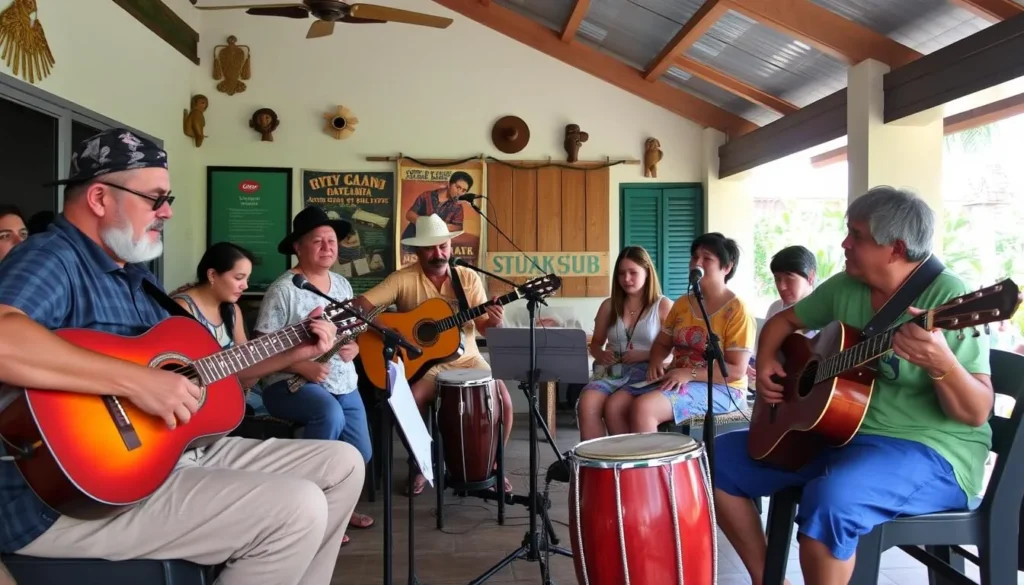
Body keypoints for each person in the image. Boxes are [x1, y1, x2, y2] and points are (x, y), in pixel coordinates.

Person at [0, 129, 364, 585]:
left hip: (169, 454)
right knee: (296, 508)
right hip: (70, 495)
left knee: (343, 465)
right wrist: (137, 382)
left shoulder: (130, 276)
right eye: (155, 198)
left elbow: (213, 372)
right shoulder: (52, 258)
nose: (167, 211)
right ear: (98, 198)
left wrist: (294, 349)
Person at [714, 187, 992, 585]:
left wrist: (942, 363)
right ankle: (767, 579)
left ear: (894, 248)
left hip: (931, 452)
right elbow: (781, 324)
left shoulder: (949, 297)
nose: (844, 243)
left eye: (856, 235)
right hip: (841, 438)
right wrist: (773, 360)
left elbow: (976, 411)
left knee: (832, 500)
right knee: (720, 457)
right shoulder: (847, 285)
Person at [352, 213, 514, 497]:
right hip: (428, 365)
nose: (438, 254)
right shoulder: (402, 279)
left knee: (504, 400)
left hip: (469, 358)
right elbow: (360, 305)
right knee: (408, 401)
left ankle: (493, 463)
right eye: (430, 248)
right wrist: (390, 333)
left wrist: (495, 321)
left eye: (443, 246)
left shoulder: (466, 277)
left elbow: (484, 330)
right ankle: (420, 463)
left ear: (450, 247)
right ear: (417, 251)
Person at [255, 205, 375, 542]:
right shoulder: (284, 289)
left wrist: (355, 348)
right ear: (298, 247)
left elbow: (350, 333)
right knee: (329, 415)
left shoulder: (341, 284)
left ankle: (337, 509)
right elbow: (260, 349)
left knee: (360, 451)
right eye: (318, 241)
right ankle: (305, 511)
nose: (327, 247)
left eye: (332, 240)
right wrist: (301, 364)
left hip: (341, 380)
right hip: (288, 383)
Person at [628, 232, 756, 432]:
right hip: (677, 377)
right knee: (617, 404)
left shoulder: (738, 310)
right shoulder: (681, 303)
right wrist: (655, 361)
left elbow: (736, 371)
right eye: (695, 257)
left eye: (707, 258)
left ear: (727, 267)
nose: (697, 263)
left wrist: (690, 373)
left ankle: (657, 464)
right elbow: (662, 343)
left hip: (725, 389)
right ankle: (628, 460)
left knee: (644, 408)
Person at [576, 246, 672, 440]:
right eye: (621, 274)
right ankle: (596, 465)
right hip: (611, 369)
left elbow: (675, 353)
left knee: (614, 406)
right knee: (586, 402)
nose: (626, 279)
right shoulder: (608, 306)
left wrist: (647, 355)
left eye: (633, 273)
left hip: (647, 370)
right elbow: (595, 345)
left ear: (647, 273)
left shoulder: (663, 305)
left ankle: (625, 464)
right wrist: (601, 354)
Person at [749, 245, 818, 382]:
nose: (781, 286)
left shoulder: (824, 311)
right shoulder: (775, 308)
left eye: (789, 278)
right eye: (777, 279)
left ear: (810, 277)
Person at [399, 171, 471, 256]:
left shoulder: (458, 207)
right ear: (449, 184)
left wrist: (441, 226)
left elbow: (459, 227)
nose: (459, 192)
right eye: (458, 187)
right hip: (412, 241)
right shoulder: (426, 196)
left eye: (463, 190)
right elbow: (409, 214)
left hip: (433, 250)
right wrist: (425, 222)